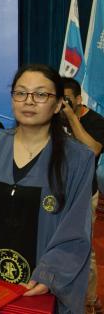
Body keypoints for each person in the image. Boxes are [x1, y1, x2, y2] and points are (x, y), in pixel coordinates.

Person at [0, 65, 95, 314]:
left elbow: (76, 228)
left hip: (39, 290)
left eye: (41, 94)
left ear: (58, 104)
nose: (29, 101)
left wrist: (50, 273)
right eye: (21, 93)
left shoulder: (77, 158)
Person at [61, 77, 104, 313]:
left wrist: (71, 118)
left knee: (83, 248)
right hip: (57, 191)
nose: (63, 103)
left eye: (67, 99)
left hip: (84, 193)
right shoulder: (53, 117)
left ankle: (90, 300)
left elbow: (92, 150)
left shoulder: (96, 121)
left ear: (79, 99)